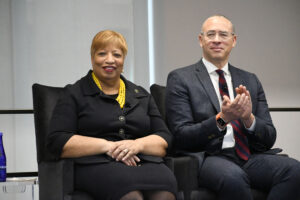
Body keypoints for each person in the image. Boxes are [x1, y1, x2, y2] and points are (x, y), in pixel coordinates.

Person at [166, 15, 300, 200]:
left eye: (223, 34)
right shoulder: (181, 78)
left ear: (233, 40)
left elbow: (269, 137)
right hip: (210, 157)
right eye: (210, 34)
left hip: (248, 156)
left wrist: (248, 119)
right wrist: (222, 119)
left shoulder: (250, 80)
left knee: (294, 170)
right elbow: (181, 136)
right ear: (200, 40)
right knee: (233, 178)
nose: (217, 40)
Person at [47, 30, 177, 200]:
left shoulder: (141, 94)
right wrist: (107, 146)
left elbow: (163, 138)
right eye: (102, 53)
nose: (110, 60)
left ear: (123, 60)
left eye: (117, 54)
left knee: (165, 192)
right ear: (92, 57)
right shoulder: (74, 93)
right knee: (131, 196)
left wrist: (137, 145)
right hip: (96, 163)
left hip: (142, 162)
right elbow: (58, 141)